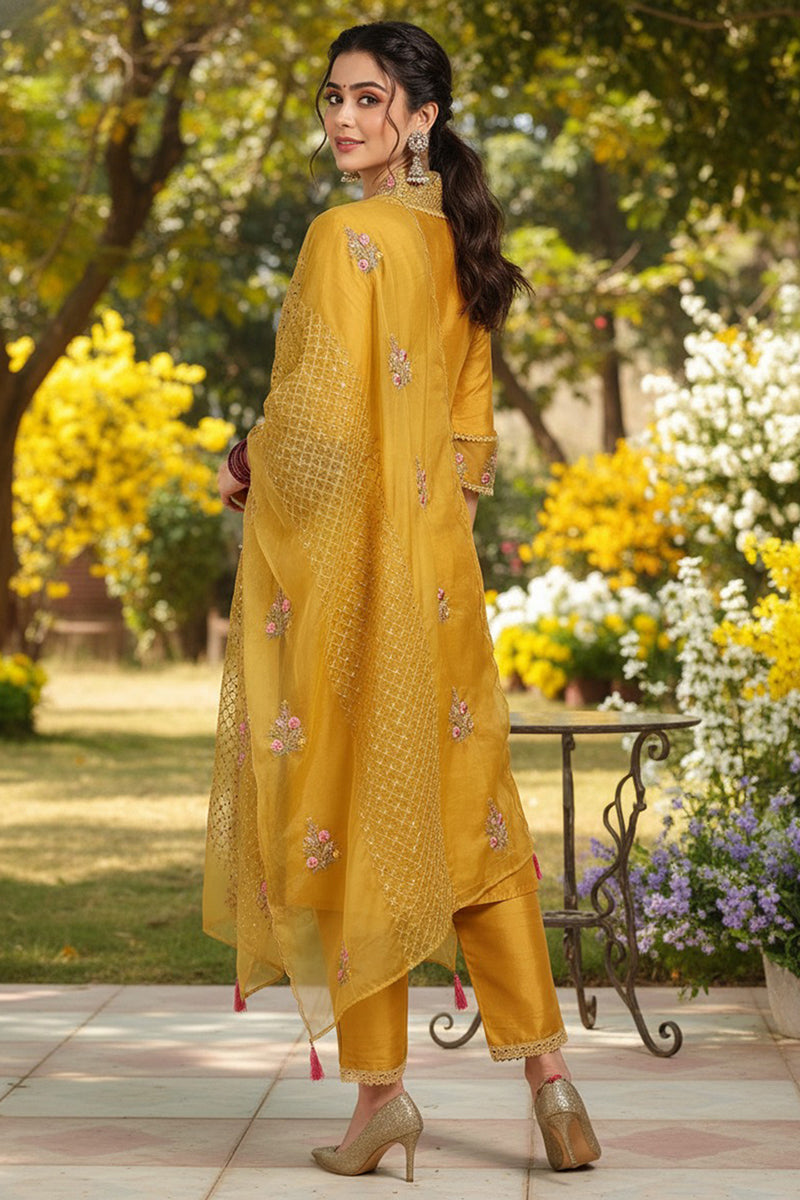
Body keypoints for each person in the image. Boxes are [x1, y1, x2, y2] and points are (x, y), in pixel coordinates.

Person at [204, 19, 601, 1182]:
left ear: (420, 118)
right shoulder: (461, 245)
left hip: (351, 587)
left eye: (368, 99)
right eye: (332, 97)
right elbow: (470, 444)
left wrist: (243, 462)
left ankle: (381, 1098)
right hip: (440, 587)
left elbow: (315, 422)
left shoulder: (344, 236)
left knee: (346, 815)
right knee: (474, 822)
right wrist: (432, 544)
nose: (343, 118)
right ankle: (551, 1083)